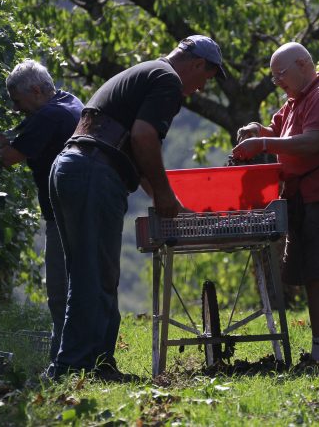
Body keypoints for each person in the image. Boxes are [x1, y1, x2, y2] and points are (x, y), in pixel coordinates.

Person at [46, 35, 226, 381]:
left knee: (91, 272)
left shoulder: (147, 72)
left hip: (73, 166)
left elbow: (132, 148)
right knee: (94, 275)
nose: (202, 87)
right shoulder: (168, 80)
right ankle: (74, 368)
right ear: (196, 64)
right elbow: (144, 137)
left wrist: (166, 197)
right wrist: (162, 194)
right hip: (93, 173)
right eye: (206, 77)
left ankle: (96, 363)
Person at [231, 42, 319, 368]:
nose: (277, 81)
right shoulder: (295, 101)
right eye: (274, 76)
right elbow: (277, 130)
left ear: (303, 64)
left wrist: (262, 143)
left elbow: (312, 142)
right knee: (309, 274)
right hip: (306, 198)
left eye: (281, 74)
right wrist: (256, 130)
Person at [0, 60, 84, 361]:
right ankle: (81, 352)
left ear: (34, 90)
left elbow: (8, 156)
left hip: (62, 214)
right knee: (83, 284)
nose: (17, 109)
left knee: (59, 290)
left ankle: (64, 360)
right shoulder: (68, 101)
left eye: (17, 101)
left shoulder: (49, 116)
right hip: (81, 208)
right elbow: (22, 129)